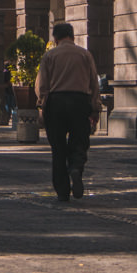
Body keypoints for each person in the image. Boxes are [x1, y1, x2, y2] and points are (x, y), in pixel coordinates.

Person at [35, 22, 101, 202]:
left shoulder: (50, 56)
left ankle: (62, 191)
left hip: (56, 103)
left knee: (58, 148)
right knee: (80, 141)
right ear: (72, 36)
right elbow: (94, 83)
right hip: (80, 101)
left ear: (55, 38)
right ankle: (76, 168)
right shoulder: (85, 54)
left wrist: (42, 104)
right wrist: (95, 108)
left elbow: (42, 85)